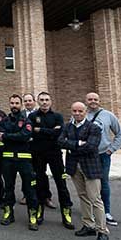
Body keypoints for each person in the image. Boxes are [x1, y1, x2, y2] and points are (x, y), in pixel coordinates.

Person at [58, 102, 109, 240]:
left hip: (90, 167)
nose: (77, 113)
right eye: (74, 110)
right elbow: (60, 142)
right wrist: (78, 144)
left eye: (80, 111)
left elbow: (92, 146)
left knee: (95, 199)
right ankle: (88, 225)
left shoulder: (94, 127)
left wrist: (72, 145)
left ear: (85, 112)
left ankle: (102, 231)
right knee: (83, 196)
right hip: (74, 167)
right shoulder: (67, 126)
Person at [28, 92, 74, 229]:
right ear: (37, 101)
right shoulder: (32, 116)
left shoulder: (57, 116)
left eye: (47, 100)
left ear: (51, 101)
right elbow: (31, 132)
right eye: (41, 100)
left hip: (55, 153)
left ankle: (66, 213)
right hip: (37, 154)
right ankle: (39, 211)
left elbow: (58, 133)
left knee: (61, 183)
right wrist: (49, 131)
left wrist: (40, 130)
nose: (44, 102)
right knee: (40, 183)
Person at [0, 94, 39, 231]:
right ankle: (8, 213)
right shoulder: (4, 120)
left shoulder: (26, 120)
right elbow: (0, 135)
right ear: (9, 104)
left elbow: (25, 135)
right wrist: (13, 136)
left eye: (17, 103)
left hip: (24, 159)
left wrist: (8, 136)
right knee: (8, 188)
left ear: (20, 105)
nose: (14, 105)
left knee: (29, 189)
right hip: (8, 159)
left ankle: (32, 216)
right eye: (12, 103)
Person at [86, 92, 121, 227]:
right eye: (90, 99)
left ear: (99, 101)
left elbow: (120, 135)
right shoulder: (81, 114)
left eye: (95, 99)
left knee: (103, 183)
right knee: (88, 183)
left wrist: (111, 150)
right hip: (86, 155)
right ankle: (90, 211)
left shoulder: (108, 116)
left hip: (103, 154)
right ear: (86, 101)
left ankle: (106, 212)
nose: (93, 101)